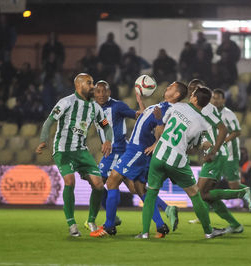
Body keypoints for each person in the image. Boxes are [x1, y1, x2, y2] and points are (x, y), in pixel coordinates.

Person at [90, 82, 185, 238]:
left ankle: (109, 226)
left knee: (111, 181)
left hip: (135, 149)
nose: (166, 87)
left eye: (171, 87)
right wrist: (141, 104)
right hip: (135, 149)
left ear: (176, 95)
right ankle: (161, 223)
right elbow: (146, 119)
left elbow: (166, 129)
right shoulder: (163, 105)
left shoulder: (169, 109)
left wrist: (156, 143)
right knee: (138, 188)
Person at [137, 86, 228, 239]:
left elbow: (160, 132)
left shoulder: (177, 106)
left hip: (158, 155)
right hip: (176, 161)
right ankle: (208, 231)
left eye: (192, 94)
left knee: (151, 193)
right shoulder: (202, 124)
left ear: (194, 98)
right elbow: (192, 149)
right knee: (195, 194)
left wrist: (159, 120)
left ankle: (145, 233)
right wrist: (205, 147)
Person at [36, 73, 112, 237]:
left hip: (81, 151)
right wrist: (43, 140)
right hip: (63, 150)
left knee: (99, 184)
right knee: (69, 181)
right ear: (78, 85)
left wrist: (108, 141)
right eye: (89, 83)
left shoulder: (95, 107)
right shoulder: (66, 102)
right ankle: (72, 224)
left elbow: (106, 126)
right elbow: (49, 121)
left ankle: (91, 221)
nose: (92, 86)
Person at [188, 82, 251, 234]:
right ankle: (235, 225)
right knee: (208, 197)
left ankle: (241, 193)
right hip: (212, 152)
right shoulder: (199, 109)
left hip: (216, 154)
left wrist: (214, 151)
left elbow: (223, 129)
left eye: (194, 89)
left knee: (200, 193)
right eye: (190, 89)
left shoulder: (207, 108)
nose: (191, 92)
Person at [83, 80, 145, 231]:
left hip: (117, 151)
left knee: (101, 183)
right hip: (110, 153)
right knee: (132, 187)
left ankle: (108, 221)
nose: (101, 94)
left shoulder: (117, 106)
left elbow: (137, 116)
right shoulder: (93, 108)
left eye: (104, 91)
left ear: (109, 92)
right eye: (98, 92)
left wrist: (140, 107)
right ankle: (112, 218)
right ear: (94, 94)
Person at [211, 89, 251, 223]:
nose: (215, 100)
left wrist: (222, 142)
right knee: (207, 184)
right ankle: (202, 214)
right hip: (218, 154)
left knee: (234, 186)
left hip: (230, 154)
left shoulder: (228, 114)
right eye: (214, 98)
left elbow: (237, 132)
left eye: (218, 98)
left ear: (223, 100)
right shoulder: (211, 113)